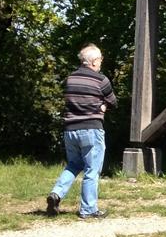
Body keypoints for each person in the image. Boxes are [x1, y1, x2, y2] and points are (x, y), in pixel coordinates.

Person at [46, 44, 116, 219]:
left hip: (70, 130)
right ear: (93, 61)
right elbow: (113, 102)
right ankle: (89, 209)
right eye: (100, 59)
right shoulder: (101, 80)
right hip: (91, 129)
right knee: (92, 169)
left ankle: (56, 193)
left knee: (74, 164)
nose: (101, 62)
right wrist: (104, 104)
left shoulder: (70, 79)